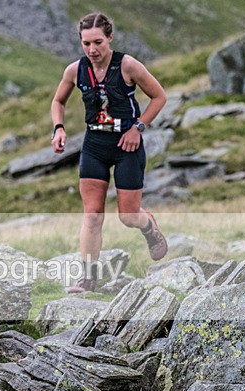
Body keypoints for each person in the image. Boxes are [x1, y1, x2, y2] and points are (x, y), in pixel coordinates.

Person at [51, 12, 168, 293]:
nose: (92, 50)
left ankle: (148, 224)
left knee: (127, 216)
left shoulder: (128, 65)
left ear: (110, 38)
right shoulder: (74, 70)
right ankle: (88, 278)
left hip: (127, 145)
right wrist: (58, 127)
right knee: (92, 215)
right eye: (86, 43)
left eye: (98, 43)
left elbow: (159, 96)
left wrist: (138, 127)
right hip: (94, 145)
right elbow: (58, 100)